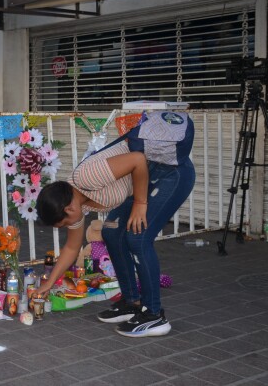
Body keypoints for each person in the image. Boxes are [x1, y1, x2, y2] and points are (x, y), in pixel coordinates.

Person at [35, 113, 195, 338]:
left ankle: (153, 315)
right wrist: (49, 283)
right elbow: (71, 249)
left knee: (137, 238)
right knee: (111, 232)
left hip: (171, 174)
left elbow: (138, 159)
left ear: (68, 210)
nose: (66, 227)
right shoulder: (75, 203)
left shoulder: (86, 178)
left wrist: (141, 203)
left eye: (63, 224)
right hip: (146, 178)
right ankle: (132, 302)